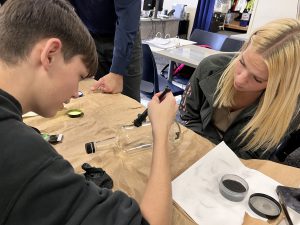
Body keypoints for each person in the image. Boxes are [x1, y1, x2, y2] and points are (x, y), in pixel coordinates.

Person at [0, 0, 177, 225]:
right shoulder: (24, 157)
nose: (76, 93)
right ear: (50, 54)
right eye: (79, 76)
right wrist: (161, 132)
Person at [179, 18, 300, 159]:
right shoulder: (210, 68)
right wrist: (205, 149)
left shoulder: (289, 109)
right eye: (242, 62)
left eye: (257, 78)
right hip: (194, 149)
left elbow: (256, 154)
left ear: (281, 83)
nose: (240, 80)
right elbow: (187, 115)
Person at [69, 0, 142, 102]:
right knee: (93, 96)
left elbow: (127, 21)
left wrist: (117, 71)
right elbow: (58, 8)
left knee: (129, 101)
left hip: (124, 38)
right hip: (90, 35)